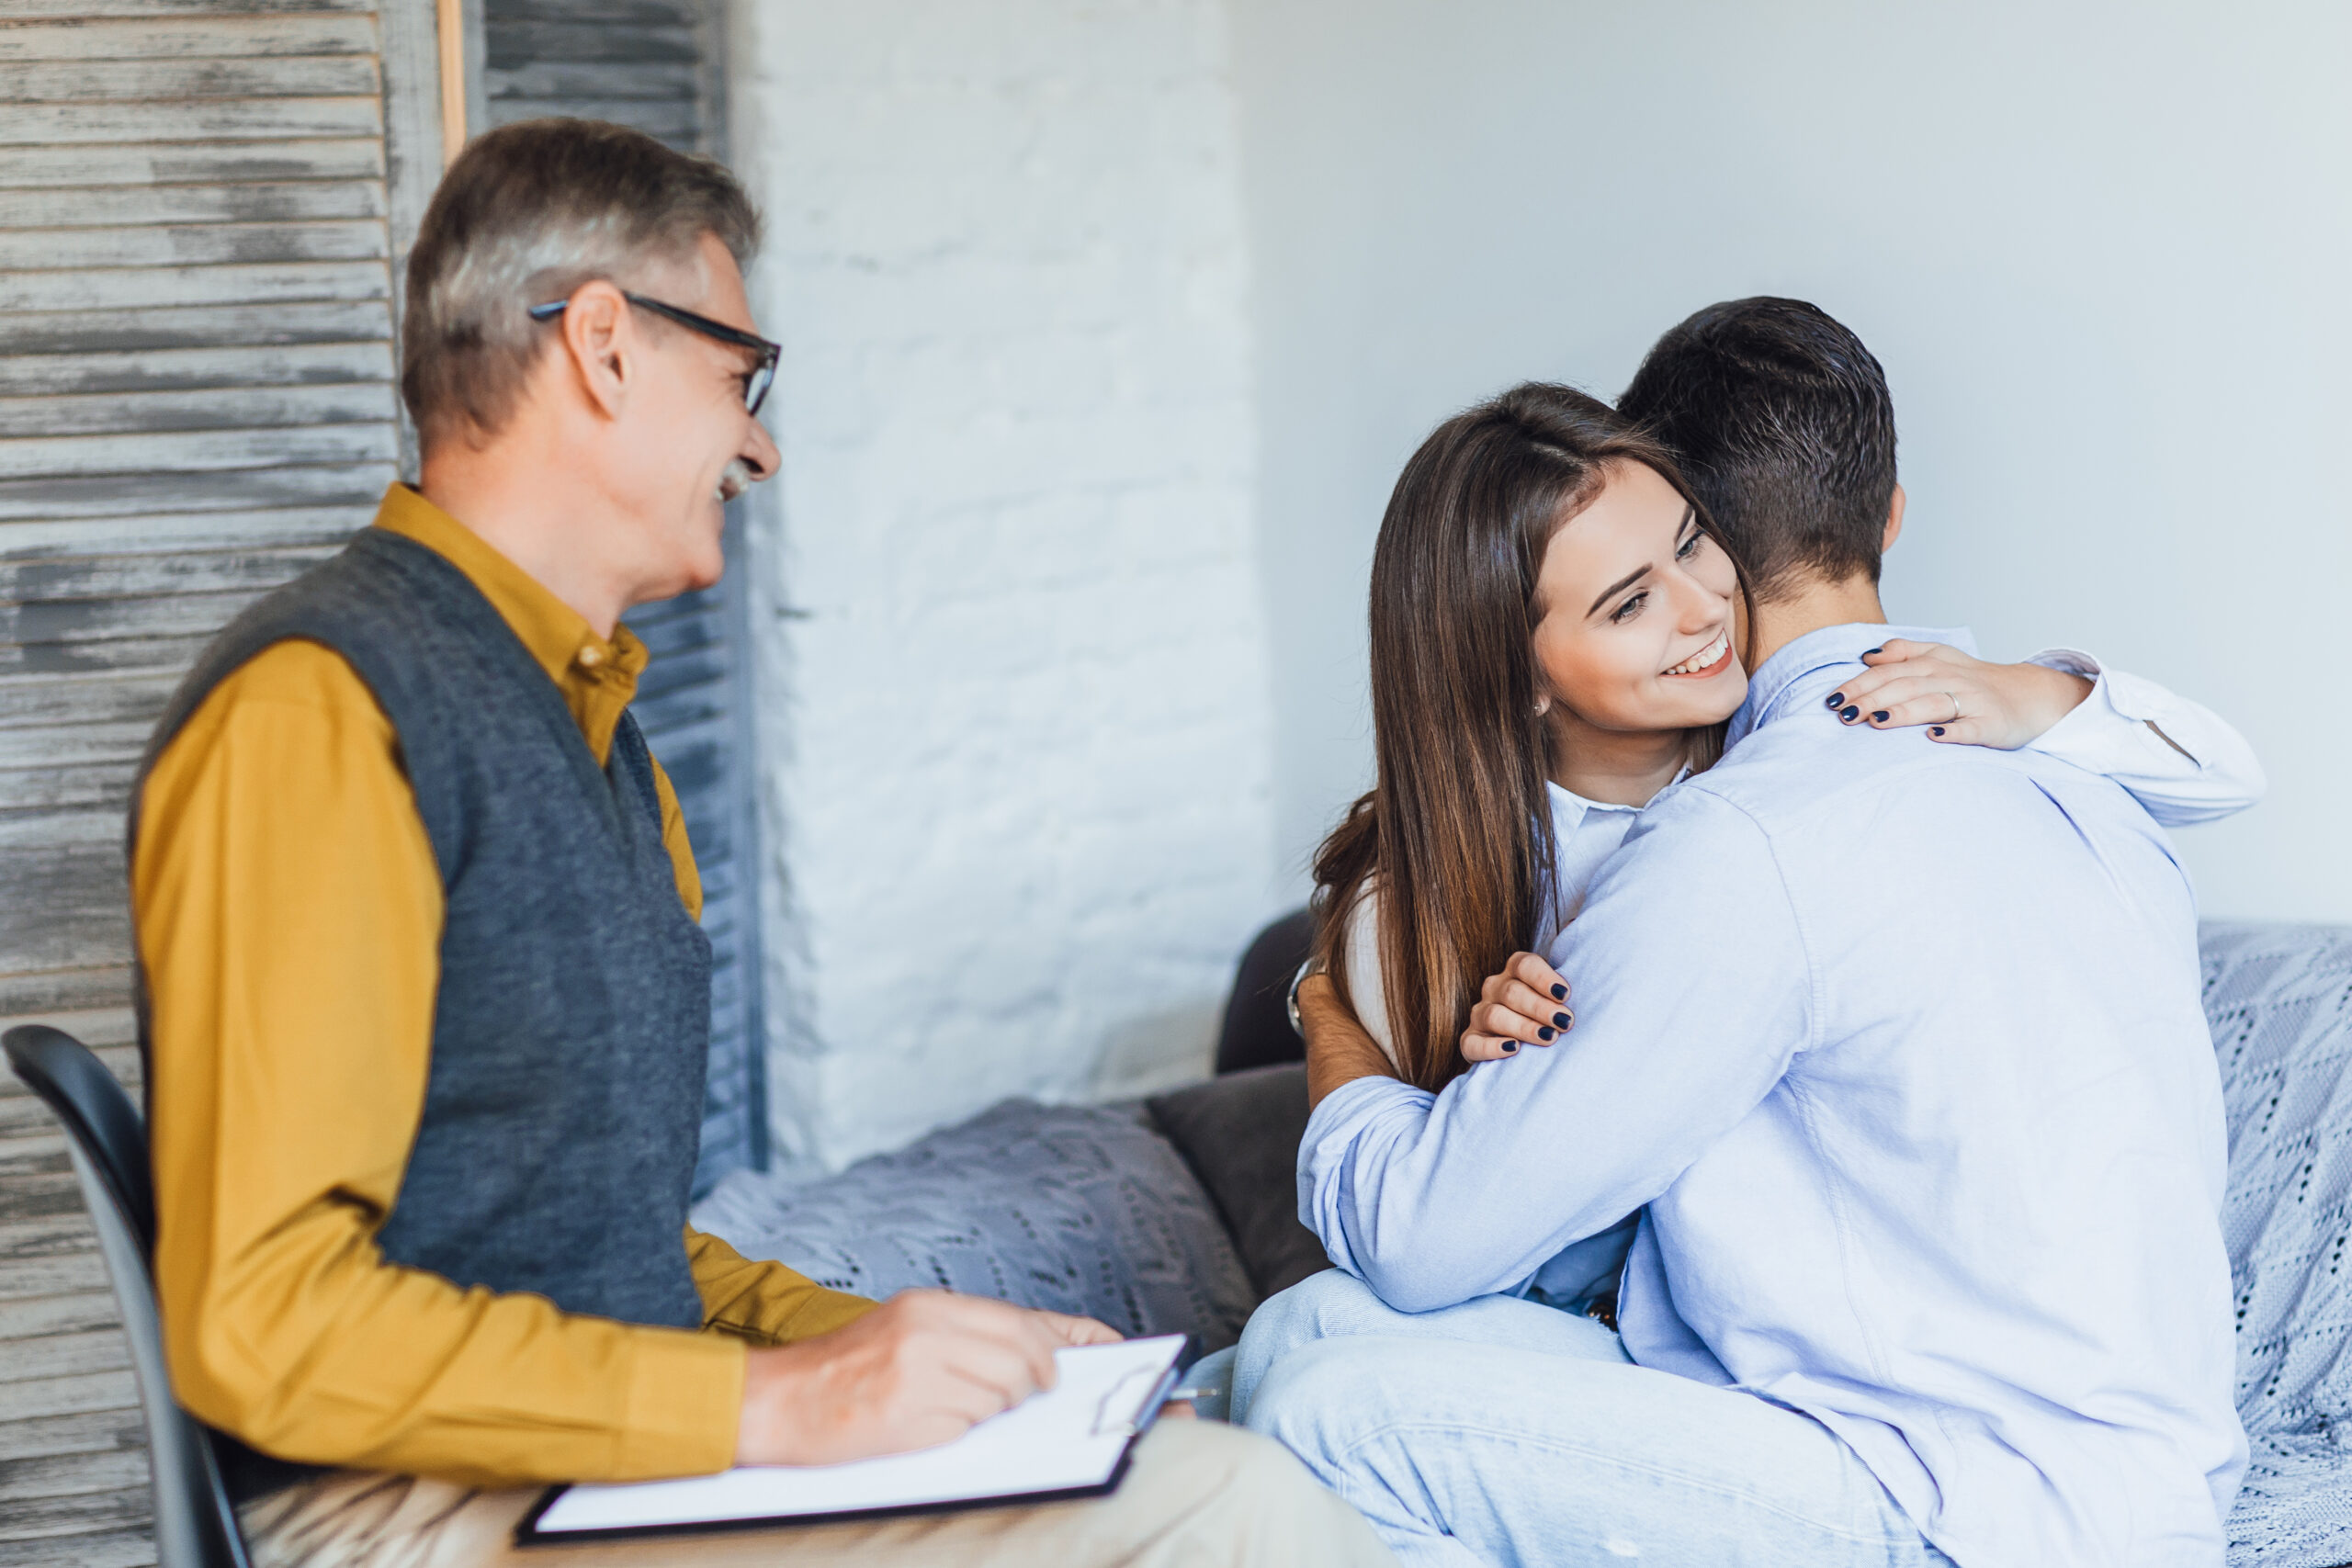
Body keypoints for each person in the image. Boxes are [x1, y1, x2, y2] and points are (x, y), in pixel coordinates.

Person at [131, 118, 1392, 1568]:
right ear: (602, 344)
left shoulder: (599, 737)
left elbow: (601, 1247)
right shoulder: (319, 713)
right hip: (410, 1512)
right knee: (1234, 1518)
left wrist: (914, 1357)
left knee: (1185, 1455)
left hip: (583, 1472)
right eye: (740, 375)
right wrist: (772, 1407)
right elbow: (264, 1323)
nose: (760, 442)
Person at [1233, 301, 2249, 1566]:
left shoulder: (1744, 844)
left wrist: (1329, 1015)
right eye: (1630, 596)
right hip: (2054, 1448)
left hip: (1972, 1500)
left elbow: (1431, 1240)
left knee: (1334, 1420)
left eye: (1690, 550)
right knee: (1301, 1339)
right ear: (1889, 515)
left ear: (1715, 516)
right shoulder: (2063, 758)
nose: (1696, 608)